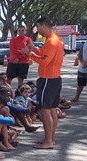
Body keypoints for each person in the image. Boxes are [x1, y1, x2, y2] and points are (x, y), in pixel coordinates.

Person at [24, 17, 64, 149]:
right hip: (54, 79)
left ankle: (49, 141)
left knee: (45, 110)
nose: (37, 30)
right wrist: (34, 49)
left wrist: (29, 54)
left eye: (38, 27)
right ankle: (50, 139)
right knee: (52, 109)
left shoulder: (52, 41)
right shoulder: (54, 40)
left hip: (48, 78)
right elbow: (45, 54)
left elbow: (44, 61)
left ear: (43, 26)